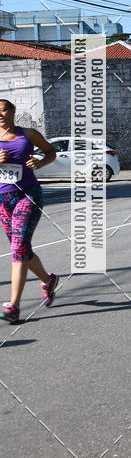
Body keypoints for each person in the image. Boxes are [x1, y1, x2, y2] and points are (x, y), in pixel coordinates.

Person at [0, 100, 60, 324]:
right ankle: (48, 280)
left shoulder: (28, 134)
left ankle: (13, 306)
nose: (0, 114)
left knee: (18, 248)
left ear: (13, 112)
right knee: (22, 248)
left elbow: (50, 152)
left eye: (4, 110)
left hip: (28, 194)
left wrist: (40, 162)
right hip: (2, 200)